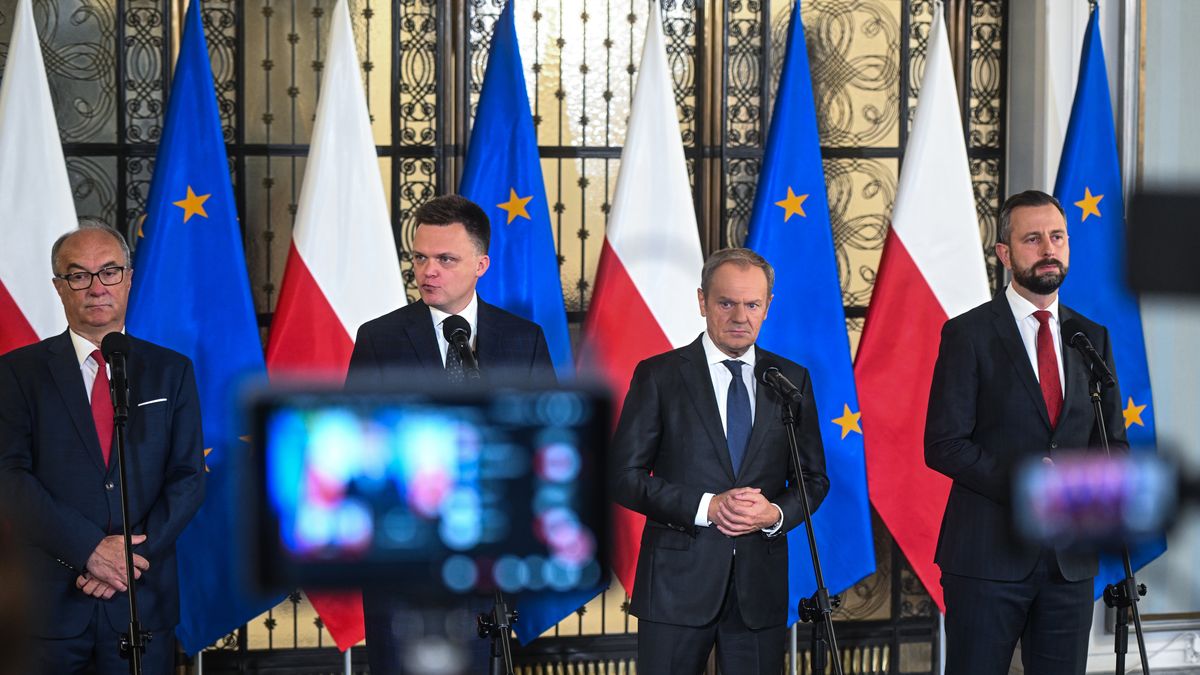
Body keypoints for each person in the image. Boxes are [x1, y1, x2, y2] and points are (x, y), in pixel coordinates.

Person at [348, 194, 555, 673]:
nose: (428, 271)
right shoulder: (379, 339)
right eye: (420, 258)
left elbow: (546, 443)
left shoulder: (523, 340)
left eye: (445, 259)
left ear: (481, 264)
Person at [925, 190, 1129, 675]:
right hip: (986, 559)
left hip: (1069, 563)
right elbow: (944, 445)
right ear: (1004, 253)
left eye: (1056, 237)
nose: (1047, 249)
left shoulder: (1090, 337)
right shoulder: (968, 334)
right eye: (1032, 239)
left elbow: (1113, 443)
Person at [611, 247, 829, 674]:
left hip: (758, 589)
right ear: (702, 302)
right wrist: (706, 506)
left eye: (752, 304)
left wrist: (774, 513)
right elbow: (623, 476)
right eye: (726, 303)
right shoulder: (660, 375)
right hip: (676, 586)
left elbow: (813, 478)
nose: (739, 316)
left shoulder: (788, 380)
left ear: (768, 307)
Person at [0, 222, 205, 674]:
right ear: (59, 287)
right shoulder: (17, 373)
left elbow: (188, 477)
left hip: (141, 601)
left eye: (109, 272)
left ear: (129, 279)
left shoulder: (171, 371)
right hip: (47, 607)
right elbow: (9, 478)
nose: (96, 287)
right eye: (79, 275)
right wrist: (89, 549)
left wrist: (127, 560)